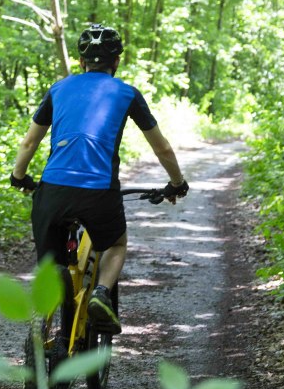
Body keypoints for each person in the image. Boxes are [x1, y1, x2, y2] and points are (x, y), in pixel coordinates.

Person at [10, 24, 189, 334]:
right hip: (99, 192)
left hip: (53, 190)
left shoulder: (58, 89)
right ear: (116, 62)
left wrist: (19, 177)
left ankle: (51, 304)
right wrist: (177, 183)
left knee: (51, 260)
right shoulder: (127, 93)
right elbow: (162, 148)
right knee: (116, 244)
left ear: (82, 62)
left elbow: (28, 144)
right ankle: (102, 293)